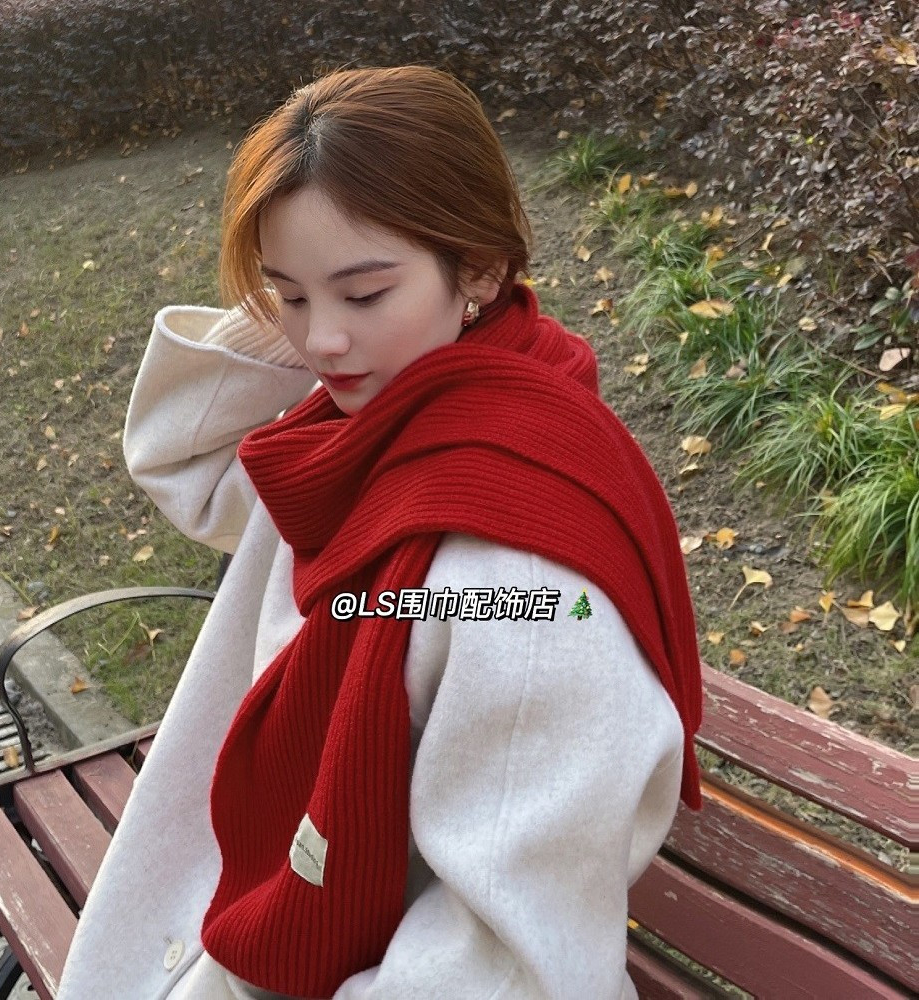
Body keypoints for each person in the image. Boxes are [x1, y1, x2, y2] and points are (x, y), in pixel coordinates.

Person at [54, 64, 704, 1000]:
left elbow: (507, 970)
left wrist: (318, 287)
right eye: (287, 297)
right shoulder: (381, 421)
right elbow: (181, 462)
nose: (319, 343)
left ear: (481, 268)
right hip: (249, 909)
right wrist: (329, 285)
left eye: (363, 295)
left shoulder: (517, 573)